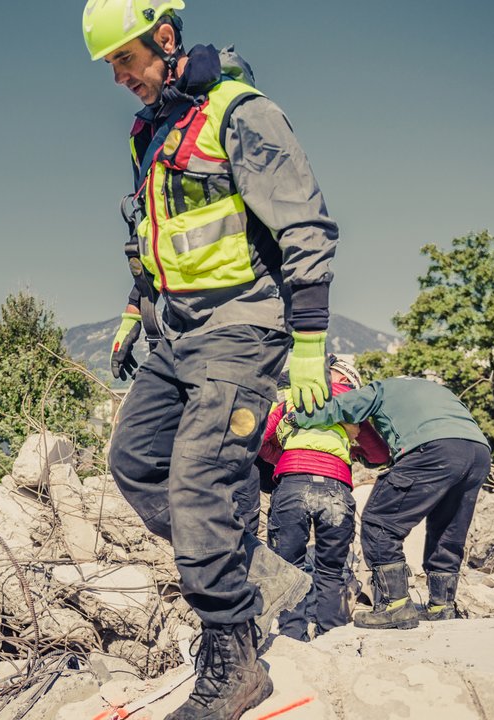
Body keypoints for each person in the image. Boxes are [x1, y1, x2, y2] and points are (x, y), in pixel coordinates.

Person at [83, 1, 340, 717]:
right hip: (176, 334)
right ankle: (258, 572)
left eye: (125, 60)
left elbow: (306, 227)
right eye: (111, 67)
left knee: (198, 485)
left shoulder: (241, 113)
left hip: (242, 330)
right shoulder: (149, 131)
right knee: (135, 461)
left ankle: (235, 659)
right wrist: (137, 310)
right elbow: (156, 232)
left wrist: (313, 346)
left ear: (165, 38)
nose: (118, 78)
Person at [286, 375, 492, 629]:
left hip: (433, 449)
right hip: (479, 452)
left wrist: (298, 418)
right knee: (448, 528)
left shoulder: (382, 389)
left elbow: (342, 407)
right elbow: (384, 453)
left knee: (380, 521)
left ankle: (395, 606)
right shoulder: (439, 392)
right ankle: (441, 606)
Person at [258, 356, 389, 640]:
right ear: (349, 382)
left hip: (293, 484)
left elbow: (259, 439)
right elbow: (379, 455)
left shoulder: (294, 398)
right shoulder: (353, 405)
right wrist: (352, 452)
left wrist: (286, 457)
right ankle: (330, 637)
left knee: (288, 567)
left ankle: (292, 637)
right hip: (336, 489)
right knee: (330, 570)